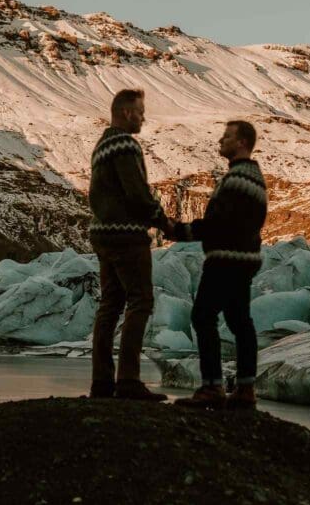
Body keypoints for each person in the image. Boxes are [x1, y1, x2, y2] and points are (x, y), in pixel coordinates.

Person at [170, 121, 267, 410]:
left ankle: (212, 386)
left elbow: (219, 223)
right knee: (240, 322)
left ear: (241, 143)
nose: (220, 142)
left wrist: (181, 232)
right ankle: (246, 389)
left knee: (203, 316)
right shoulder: (254, 178)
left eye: (226, 137)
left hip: (227, 258)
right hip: (245, 258)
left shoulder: (237, 179)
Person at [87, 88, 173, 401]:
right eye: (140, 112)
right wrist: (164, 222)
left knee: (109, 305)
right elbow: (136, 193)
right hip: (126, 235)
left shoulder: (101, 145)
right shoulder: (124, 143)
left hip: (103, 234)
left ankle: (101, 383)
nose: (143, 117)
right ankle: (128, 380)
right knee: (141, 301)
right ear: (126, 113)